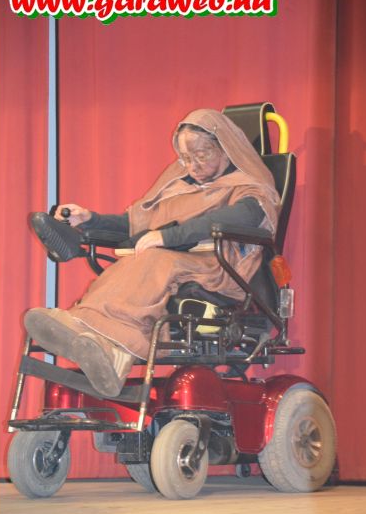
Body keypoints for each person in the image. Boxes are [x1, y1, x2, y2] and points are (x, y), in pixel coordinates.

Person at [25, 108, 280, 398]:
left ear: (226, 149)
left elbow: (240, 218)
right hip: (177, 261)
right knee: (140, 256)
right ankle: (99, 341)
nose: (193, 166)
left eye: (202, 155)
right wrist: (90, 220)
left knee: (151, 256)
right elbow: (138, 226)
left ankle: (102, 339)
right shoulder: (180, 185)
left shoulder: (249, 186)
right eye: (185, 158)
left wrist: (167, 236)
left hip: (220, 269)